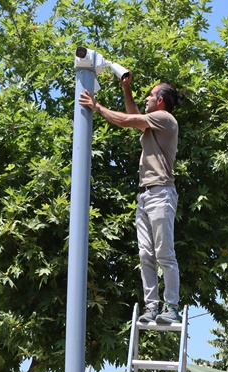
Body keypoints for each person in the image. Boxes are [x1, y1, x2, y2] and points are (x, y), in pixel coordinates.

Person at [79, 73, 184, 325]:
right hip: (145, 195)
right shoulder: (153, 122)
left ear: (161, 101)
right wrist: (126, 89)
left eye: (151, 94)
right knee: (145, 254)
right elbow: (135, 116)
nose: (146, 97)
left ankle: (171, 307)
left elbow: (126, 120)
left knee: (164, 254)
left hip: (160, 193)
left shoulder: (165, 118)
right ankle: (152, 307)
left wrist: (97, 107)